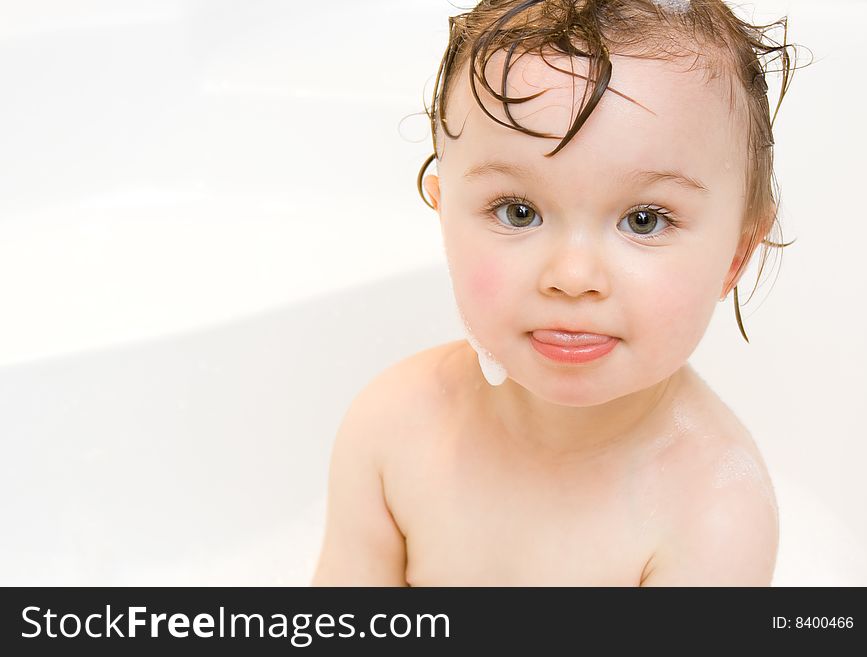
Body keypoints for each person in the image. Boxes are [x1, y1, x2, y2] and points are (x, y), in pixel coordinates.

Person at [311, 0, 807, 586]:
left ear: (737, 255)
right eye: (518, 212)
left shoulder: (715, 512)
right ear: (444, 215)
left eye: (644, 220)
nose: (572, 276)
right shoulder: (392, 429)